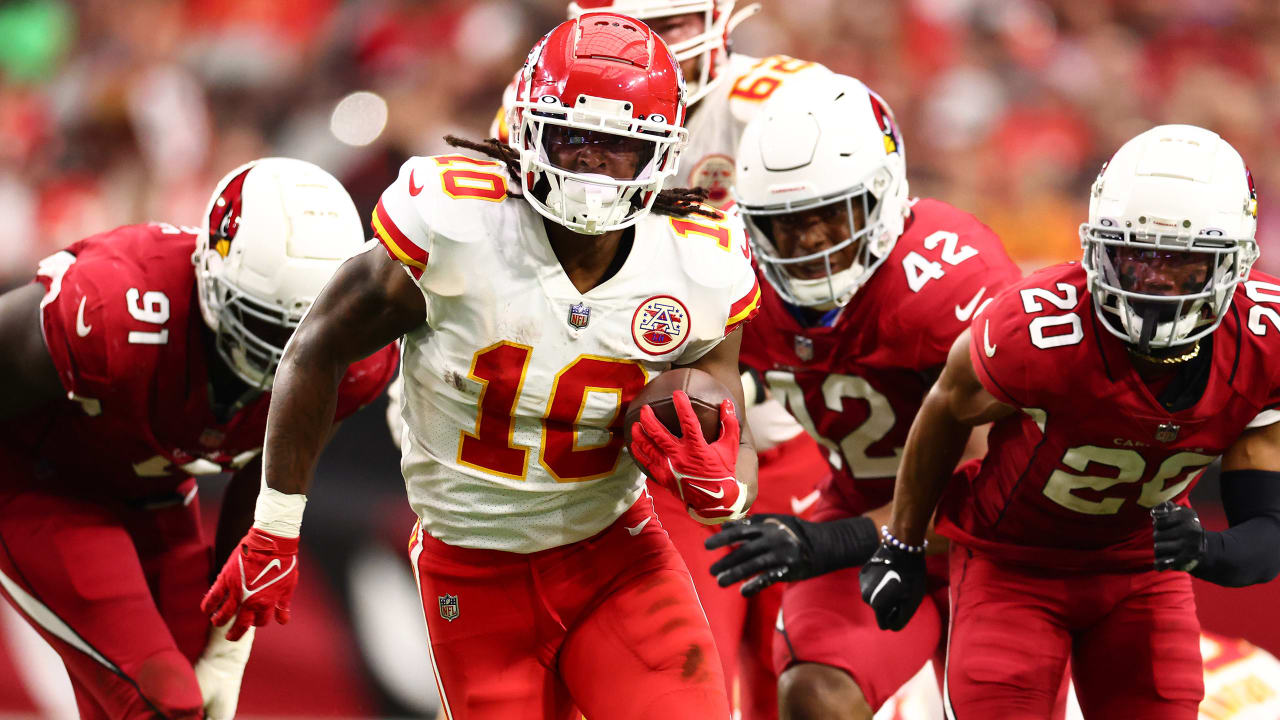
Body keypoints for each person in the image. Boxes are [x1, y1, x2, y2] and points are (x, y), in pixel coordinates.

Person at [202, 14, 761, 720]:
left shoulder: (696, 260)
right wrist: (275, 525)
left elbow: (720, 392)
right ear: (526, 126)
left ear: (659, 153)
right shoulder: (457, 223)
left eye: (616, 144)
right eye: (572, 136)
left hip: (615, 556)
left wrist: (719, 478)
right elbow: (318, 346)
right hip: (471, 567)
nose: (589, 162)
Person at [473, 4, 837, 715]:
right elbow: (502, 265)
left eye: (672, 23)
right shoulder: (552, 104)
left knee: (803, 687)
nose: (649, 45)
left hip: (798, 431)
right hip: (660, 444)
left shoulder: (784, 104)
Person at [861, 123, 1280, 719]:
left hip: (1140, 569)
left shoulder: (1263, 342)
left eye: (1181, 263)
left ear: (1234, 262)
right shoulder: (1037, 330)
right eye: (1133, 257)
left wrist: (1204, 551)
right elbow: (946, 406)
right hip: (1013, 564)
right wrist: (902, 544)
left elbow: (1268, 528)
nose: (1153, 282)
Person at [0, 157, 397, 720]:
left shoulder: (357, 359)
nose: (285, 366)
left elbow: (271, 491)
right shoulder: (115, 309)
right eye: (264, 328)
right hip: (41, 479)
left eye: (307, 340)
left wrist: (227, 651)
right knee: (164, 701)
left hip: (154, 490)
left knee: (191, 690)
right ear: (210, 274)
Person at [706, 73, 1024, 720]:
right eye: (786, 224)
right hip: (860, 505)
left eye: (829, 215)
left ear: (884, 194)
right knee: (817, 694)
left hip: (1003, 548)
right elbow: (708, 401)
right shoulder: (739, 281)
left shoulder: (941, 279)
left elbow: (991, 492)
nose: (811, 242)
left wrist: (835, 542)